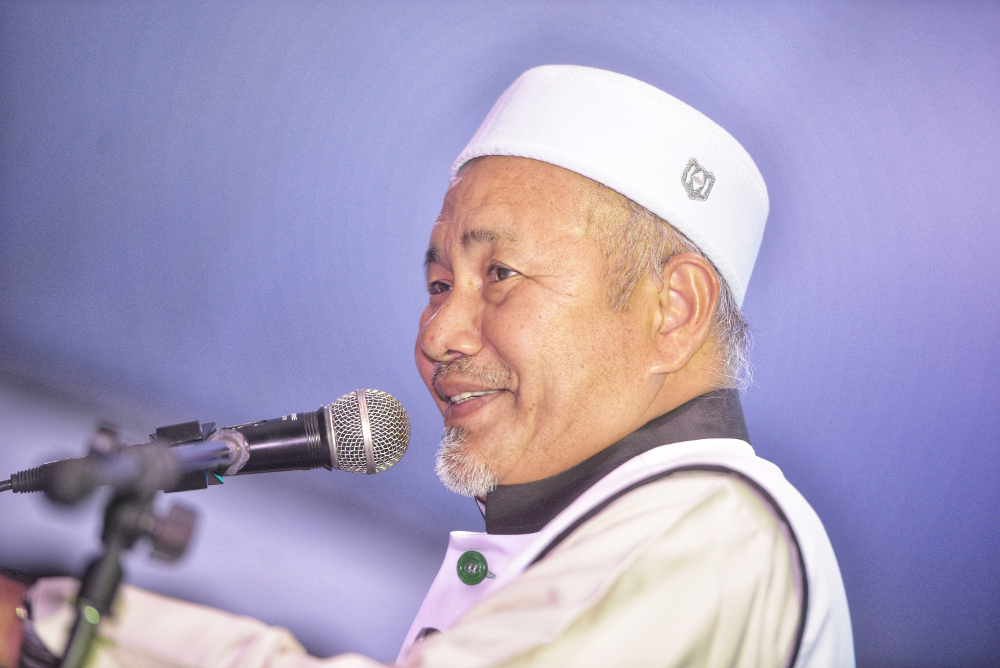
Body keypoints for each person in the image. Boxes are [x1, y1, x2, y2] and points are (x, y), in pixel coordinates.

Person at [0, 65, 854, 667]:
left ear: (674, 310)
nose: (437, 333)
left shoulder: (722, 528)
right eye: (438, 283)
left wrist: (58, 635)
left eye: (500, 275)